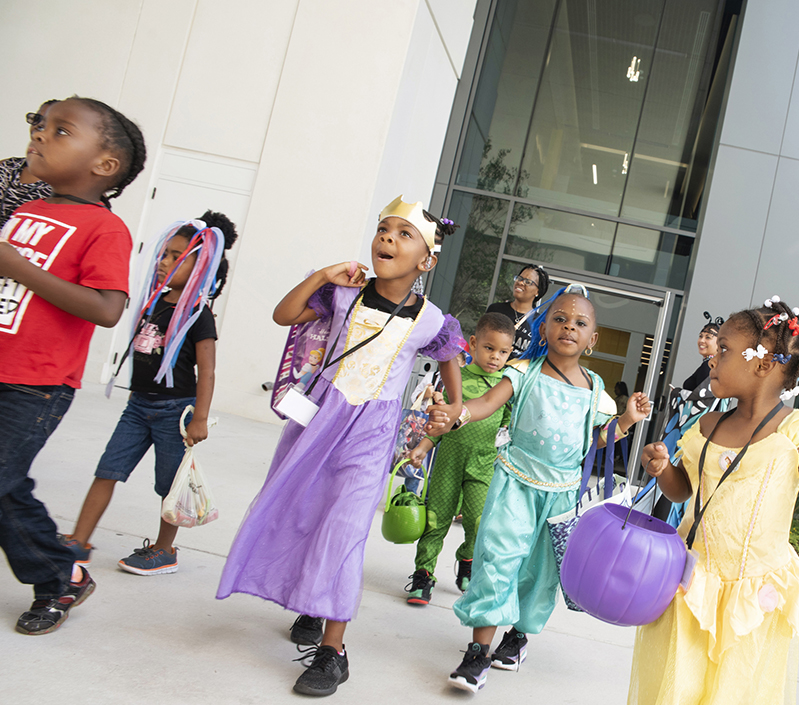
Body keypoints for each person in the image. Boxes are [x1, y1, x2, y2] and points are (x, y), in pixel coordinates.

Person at [216, 196, 465, 697]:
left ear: (426, 260)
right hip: (314, 424)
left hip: (371, 435)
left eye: (403, 234)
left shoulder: (432, 320)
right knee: (304, 512)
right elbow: (283, 314)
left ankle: (333, 651)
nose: (388, 239)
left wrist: (451, 410)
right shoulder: (343, 294)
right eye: (383, 229)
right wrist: (323, 275)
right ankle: (312, 603)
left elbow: (452, 377)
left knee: (345, 528)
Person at [426, 284, 653, 694]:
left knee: (540, 573)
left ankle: (519, 635)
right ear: (544, 328)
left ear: (592, 339)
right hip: (515, 482)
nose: (569, 327)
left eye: (580, 323)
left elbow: (594, 442)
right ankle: (478, 651)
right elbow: (487, 405)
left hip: (563, 493)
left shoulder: (596, 390)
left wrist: (626, 421)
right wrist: (458, 413)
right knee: (497, 556)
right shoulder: (522, 371)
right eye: (560, 319)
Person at [631, 296, 799, 705]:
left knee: (738, 692)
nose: (713, 358)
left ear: (764, 363)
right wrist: (664, 470)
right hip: (691, 587)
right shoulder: (707, 424)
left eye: (726, 350)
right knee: (677, 688)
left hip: (754, 597)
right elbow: (686, 491)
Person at [0, 96, 146, 635]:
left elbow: (108, 308)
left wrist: (18, 265)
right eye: (39, 123)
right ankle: (62, 574)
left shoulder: (104, 229)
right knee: (5, 484)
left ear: (104, 166)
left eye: (61, 130)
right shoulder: (27, 209)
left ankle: (59, 573)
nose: (39, 133)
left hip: (35, 383)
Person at [60, 211, 238, 575]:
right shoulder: (151, 301)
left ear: (200, 267)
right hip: (137, 407)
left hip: (176, 412)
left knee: (169, 485)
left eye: (176, 257)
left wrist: (200, 418)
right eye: (164, 254)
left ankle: (164, 549)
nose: (164, 262)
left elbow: (207, 370)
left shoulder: (198, 314)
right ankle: (79, 541)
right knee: (107, 470)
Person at [405, 311, 516, 605]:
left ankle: (467, 559)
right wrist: (422, 447)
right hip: (449, 462)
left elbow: (508, 428)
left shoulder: (506, 387)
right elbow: (441, 423)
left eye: (503, 352)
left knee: (479, 523)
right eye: (489, 348)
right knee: (435, 519)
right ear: (473, 343)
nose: (495, 357)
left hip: (484, 464)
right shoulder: (457, 379)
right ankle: (423, 575)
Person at [659, 312, 731, 526]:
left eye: (709, 336)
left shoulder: (712, 367)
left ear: (720, 343)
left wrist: (678, 395)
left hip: (688, 438)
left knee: (677, 482)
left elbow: (702, 400)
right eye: (701, 335)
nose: (702, 340)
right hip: (690, 436)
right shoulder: (711, 366)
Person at [0, 100, 58, 227]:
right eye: (37, 119)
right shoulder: (6, 166)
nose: (39, 126)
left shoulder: (69, 185)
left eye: (50, 123)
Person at [486, 264, 548, 355]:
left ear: (537, 291)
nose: (521, 283)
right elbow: (481, 341)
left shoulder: (540, 324)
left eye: (528, 282)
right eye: (519, 278)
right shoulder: (495, 310)